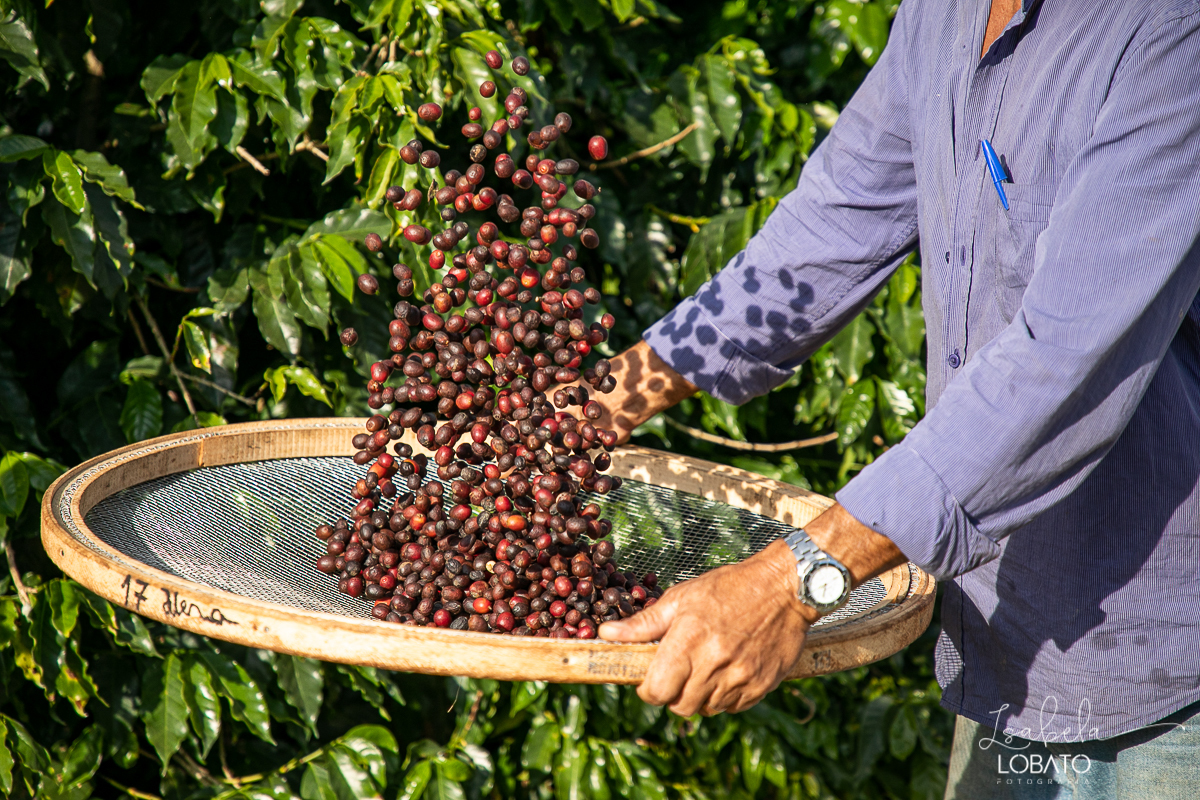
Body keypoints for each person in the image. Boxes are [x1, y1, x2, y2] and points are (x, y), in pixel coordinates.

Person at [593, 0, 1200, 796]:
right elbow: (828, 233)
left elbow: (1063, 361)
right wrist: (592, 409)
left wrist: (795, 580)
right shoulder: (942, 13)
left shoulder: (1169, 30)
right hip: (1010, 642)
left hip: (1168, 674)